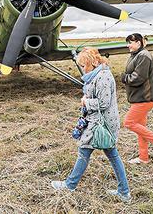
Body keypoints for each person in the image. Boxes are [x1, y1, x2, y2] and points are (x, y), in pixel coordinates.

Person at [51, 48, 131, 203]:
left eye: (84, 64)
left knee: (84, 151)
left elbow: (103, 103)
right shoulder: (96, 75)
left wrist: (86, 101)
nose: (82, 68)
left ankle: (70, 185)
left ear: (93, 62)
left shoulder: (103, 77)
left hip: (101, 124)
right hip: (99, 122)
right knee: (111, 155)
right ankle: (124, 192)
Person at [121, 33, 153, 164]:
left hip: (145, 97)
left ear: (139, 43)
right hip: (140, 97)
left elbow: (138, 77)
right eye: (127, 42)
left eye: (131, 42)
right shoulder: (136, 55)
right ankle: (143, 158)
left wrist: (125, 78)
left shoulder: (144, 56)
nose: (128, 45)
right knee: (140, 127)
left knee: (129, 123)